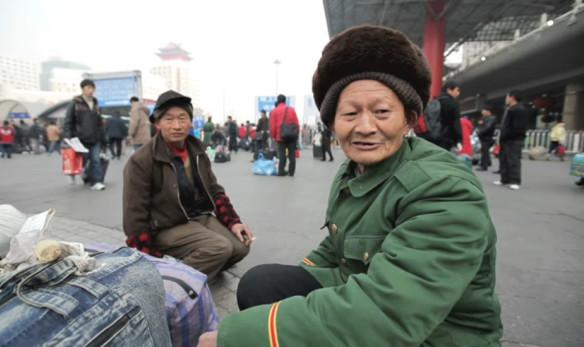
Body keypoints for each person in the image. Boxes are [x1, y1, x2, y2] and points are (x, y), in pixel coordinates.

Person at [198, 25, 502, 347]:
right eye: (350, 113)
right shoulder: (354, 168)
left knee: (263, 329)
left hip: (432, 332)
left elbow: (389, 313)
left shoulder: (445, 190)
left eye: (382, 112)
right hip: (360, 283)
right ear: (332, 124)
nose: (365, 127)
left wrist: (238, 337)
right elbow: (339, 240)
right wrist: (303, 276)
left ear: (409, 119)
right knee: (262, 282)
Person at [123, 90, 253, 281]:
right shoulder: (142, 160)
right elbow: (134, 215)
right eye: (169, 119)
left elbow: (215, 191)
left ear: (190, 122)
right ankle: (171, 281)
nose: (176, 126)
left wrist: (234, 222)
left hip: (198, 217)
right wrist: (148, 257)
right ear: (157, 123)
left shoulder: (197, 150)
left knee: (241, 245)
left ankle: (199, 269)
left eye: (182, 118)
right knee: (219, 248)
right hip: (166, 226)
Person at [63, 79, 106, 191]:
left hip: (95, 137)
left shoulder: (96, 104)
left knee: (95, 160)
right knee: (83, 161)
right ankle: (73, 174)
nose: (91, 91)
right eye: (88, 88)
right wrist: (69, 136)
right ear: (83, 89)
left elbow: (99, 122)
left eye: (92, 88)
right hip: (80, 138)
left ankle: (96, 182)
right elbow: (68, 120)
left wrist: (103, 137)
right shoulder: (75, 103)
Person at [494, 90, 529, 190]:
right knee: (504, 159)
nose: (506, 99)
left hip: (514, 139)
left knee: (513, 160)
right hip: (506, 139)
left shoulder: (519, 109)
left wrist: (506, 135)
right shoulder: (510, 109)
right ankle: (504, 179)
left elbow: (517, 127)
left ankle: (515, 181)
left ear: (512, 97)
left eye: (507, 97)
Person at [270, 94, 300, 176]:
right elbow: (297, 124)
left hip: (280, 136)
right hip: (291, 136)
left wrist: (274, 136)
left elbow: (272, 126)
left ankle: (281, 171)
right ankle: (291, 172)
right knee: (292, 155)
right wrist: (296, 135)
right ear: (285, 101)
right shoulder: (291, 110)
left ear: (278, 101)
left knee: (282, 154)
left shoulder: (274, 111)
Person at [436, 80, 463, 151]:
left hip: (432, 137)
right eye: (457, 90)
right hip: (446, 138)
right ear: (449, 90)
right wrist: (459, 140)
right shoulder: (453, 104)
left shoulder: (436, 101)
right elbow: (456, 122)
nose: (458, 93)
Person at [476, 106, 497, 171]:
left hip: (487, 137)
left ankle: (484, 166)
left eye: (484, 111)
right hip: (483, 137)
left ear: (488, 112)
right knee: (484, 151)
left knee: (485, 151)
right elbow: (481, 125)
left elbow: (487, 127)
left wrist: (480, 132)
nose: (482, 112)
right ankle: (487, 163)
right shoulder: (484, 118)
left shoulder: (492, 118)